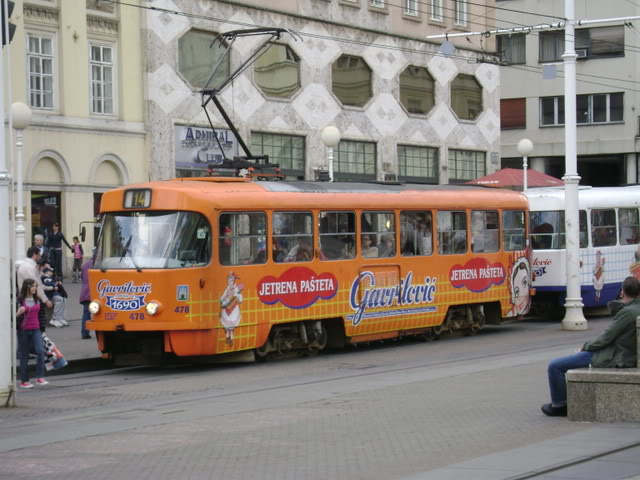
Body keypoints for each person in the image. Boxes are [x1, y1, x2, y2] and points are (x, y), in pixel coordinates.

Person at [541, 276, 640, 417]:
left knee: (555, 366)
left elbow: (606, 337)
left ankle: (559, 404)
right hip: (624, 354)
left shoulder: (627, 312)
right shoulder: (635, 309)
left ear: (622, 292)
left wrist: (586, 346)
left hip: (612, 356)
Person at [16, 279, 48, 388]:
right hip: (23, 331)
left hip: (36, 329)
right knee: (24, 355)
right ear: (27, 287)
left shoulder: (37, 300)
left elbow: (41, 316)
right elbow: (12, 317)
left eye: (36, 286)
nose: (35, 288)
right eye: (33, 286)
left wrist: (42, 330)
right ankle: (24, 381)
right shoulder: (19, 301)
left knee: (40, 351)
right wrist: (18, 313)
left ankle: (39, 377)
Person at [79, 252, 95, 339]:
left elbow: (82, 277)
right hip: (93, 291)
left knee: (86, 313)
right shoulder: (97, 264)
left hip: (85, 291)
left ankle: (84, 332)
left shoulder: (85, 264)